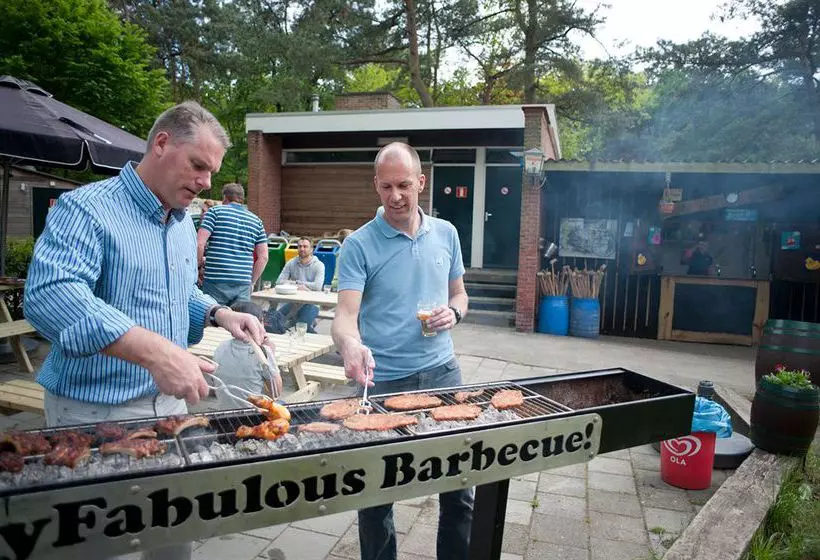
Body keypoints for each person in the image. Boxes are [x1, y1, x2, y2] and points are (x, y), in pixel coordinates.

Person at [24, 101, 267, 560]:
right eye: (198, 166)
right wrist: (158, 353)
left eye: (211, 172)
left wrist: (219, 313)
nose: (205, 182)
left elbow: (177, 293)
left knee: (173, 535)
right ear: (161, 144)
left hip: (171, 408)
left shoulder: (180, 222)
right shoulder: (86, 209)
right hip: (91, 412)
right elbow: (50, 296)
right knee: (98, 546)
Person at [331, 142, 470, 560]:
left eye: (404, 185)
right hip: (384, 380)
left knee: (458, 485)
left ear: (421, 183)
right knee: (376, 494)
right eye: (387, 186)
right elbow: (343, 316)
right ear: (375, 185)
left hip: (443, 372)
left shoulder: (446, 233)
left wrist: (453, 314)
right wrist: (350, 345)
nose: (395, 196)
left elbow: (460, 295)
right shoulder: (358, 244)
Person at [197, 183, 268, 305]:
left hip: (215, 282)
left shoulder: (214, 212)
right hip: (243, 284)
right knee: (239, 322)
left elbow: (199, 244)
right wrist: (252, 282)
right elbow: (264, 257)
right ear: (242, 198)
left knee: (213, 320)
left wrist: (197, 269)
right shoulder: (257, 221)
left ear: (225, 197)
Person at [212, 301, 282, 409]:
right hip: (252, 414)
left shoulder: (220, 346)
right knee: (281, 403)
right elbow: (276, 392)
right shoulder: (263, 352)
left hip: (223, 410)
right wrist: (271, 353)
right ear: (260, 322)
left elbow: (214, 381)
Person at [276, 237, 325, 333]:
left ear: (311, 249)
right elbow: (279, 281)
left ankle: (324, 344)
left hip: (311, 302)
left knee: (302, 326)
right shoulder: (291, 263)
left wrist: (297, 283)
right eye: (299, 246)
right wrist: (297, 285)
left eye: (305, 246)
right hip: (292, 301)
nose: (302, 249)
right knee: (275, 320)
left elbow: (317, 286)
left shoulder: (319, 265)